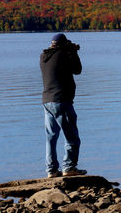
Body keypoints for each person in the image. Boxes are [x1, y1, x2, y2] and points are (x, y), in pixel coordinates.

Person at [40, 33, 87, 178]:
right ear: (62, 44)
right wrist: (73, 51)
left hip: (47, 101)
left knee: (51, 138)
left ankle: (51, 170)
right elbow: (77, 70)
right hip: (61, 101)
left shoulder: (44, 57)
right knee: (71, 137)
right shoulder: (63, 55)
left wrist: (68, 50)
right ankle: (69, 167)